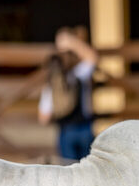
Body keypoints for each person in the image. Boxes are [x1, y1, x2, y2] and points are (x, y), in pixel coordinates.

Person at [38, 26, 98, 161]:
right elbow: (92, 57)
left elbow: (43, 118)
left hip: (65, 130)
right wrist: (73, 42)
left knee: (69, 173)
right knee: (87, 171)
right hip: (84, 127)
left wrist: (60, 108)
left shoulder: (52, 83)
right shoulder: (79, 73)